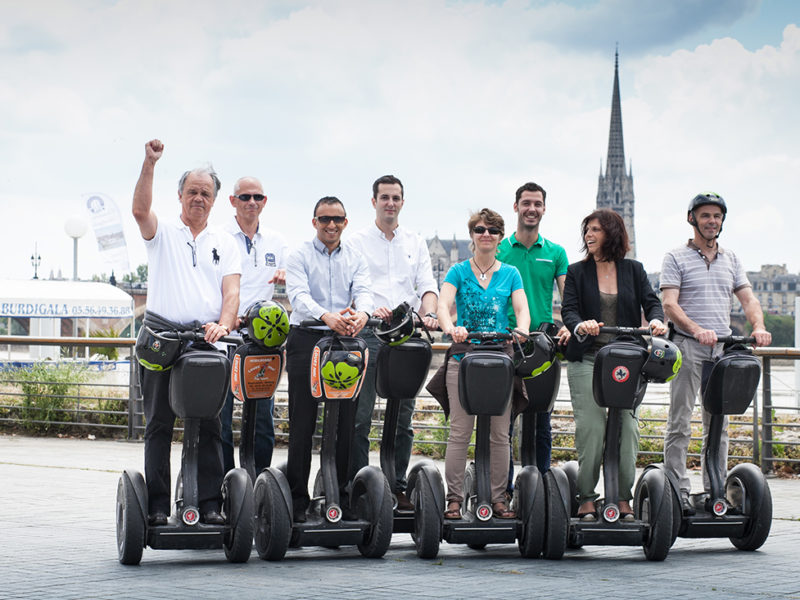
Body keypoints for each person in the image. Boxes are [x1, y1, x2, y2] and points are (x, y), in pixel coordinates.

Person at [132, 139, 240, 526]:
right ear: (179, 195)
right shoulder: (163, 232)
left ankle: (209, 504)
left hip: (207, 341)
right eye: (192, 191)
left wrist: (224, 324)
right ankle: (158, 505)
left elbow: (231, 292)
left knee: (211, 424)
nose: (198, 198)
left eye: (205, 193)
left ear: (214, 200)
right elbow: (140, 209)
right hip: (161, 338)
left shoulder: (225, 242)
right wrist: (149, 163)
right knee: (159, 423)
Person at [661, 192, 771, 515]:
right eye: (705, 216)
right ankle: (676, 490)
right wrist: (696, 329)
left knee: (718, 425)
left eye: (717, 217)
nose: (712, 221)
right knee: (680, 421)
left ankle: (715, 489)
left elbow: (748, 300)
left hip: (721, 350)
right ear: (692, 218)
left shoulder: (731, 259)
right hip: (687, 347)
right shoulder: (675, 257)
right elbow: (669, 304)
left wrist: (759, 325)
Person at [561, 208, 666, 521]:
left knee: (628, 428)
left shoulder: (633, 269)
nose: (588, 236)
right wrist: (583, 325)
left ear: (612, 233)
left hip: (624, 360)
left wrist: (658, 321)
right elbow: (569, 311)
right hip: (588, 359)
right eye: (586, 230)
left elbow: (652, 302)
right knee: (592, 428)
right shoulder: (577, 272)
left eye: (595, 230)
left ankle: (622, 497)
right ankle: (587, 498)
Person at [348, 175, 439, 511]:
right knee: (360, 416)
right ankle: (358, 484)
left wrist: (428, 314)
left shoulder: (415, 242)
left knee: (403, 418)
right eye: (384, 197)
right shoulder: (356, 241)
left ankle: (398, 486)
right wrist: (369, 309)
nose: (390, 203)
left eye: (395, 198)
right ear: (374, 202)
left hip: (406, 334)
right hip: (369, 332)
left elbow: (428, 286)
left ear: (402, 202)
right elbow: (354, 285)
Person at [437, 208, 530, 520]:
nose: (485, 235)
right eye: (479, 230)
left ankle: (498, 499)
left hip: (499, 360)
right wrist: (450, 328)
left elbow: (521, 309)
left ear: (501, 238)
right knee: (460, 432)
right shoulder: (458, 272)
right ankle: (453, 499)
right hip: (464, 359)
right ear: (472, 236)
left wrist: (522, 330)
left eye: (492, 230)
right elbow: (443, 303)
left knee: (499, 434)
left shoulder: (510, 273)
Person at [284, 196, 373, 522]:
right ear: (314, 222)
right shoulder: (299, 255)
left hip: (345, 340)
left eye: (337, 219)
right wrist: (327, 316)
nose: (331, 225)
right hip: (307, 338)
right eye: (324, 219)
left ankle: (342, 498)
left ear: (346, 222)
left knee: (345, 424)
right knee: (302, 423)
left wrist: (362, 313)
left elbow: (364, 290)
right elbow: (298, 296)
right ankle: (295, 503)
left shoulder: (355, 257)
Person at [496, 181, 570, 486]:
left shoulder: (556, 253)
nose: (532, 209)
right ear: (516, 207)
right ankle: (504, 490)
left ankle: (539, 488)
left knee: (541, 420)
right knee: (503, 422)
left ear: (544, 209)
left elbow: (569, 299)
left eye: (537, 204)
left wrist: (568, 323)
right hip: (502, 343)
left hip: (543, 343)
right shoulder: (499, 248)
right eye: (526, 203)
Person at [221, 177, 288, 475]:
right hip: (225, 339)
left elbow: (295, 277)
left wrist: (288, 274)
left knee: (263, 418)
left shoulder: (277, 241)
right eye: (245, 197)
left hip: (262, 343)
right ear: (233, 201)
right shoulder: (219, 237)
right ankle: (224, 483)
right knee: (220, 416)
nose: (251, 202)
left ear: (264, 201)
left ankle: (260, 482)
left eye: (257, 197)